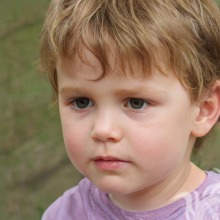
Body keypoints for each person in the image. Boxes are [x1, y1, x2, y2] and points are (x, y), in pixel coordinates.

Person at [39, 0, 220, 219]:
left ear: (203, 109)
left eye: (136, 103)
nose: (103, 130)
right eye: (82, 102)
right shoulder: (64, 213)